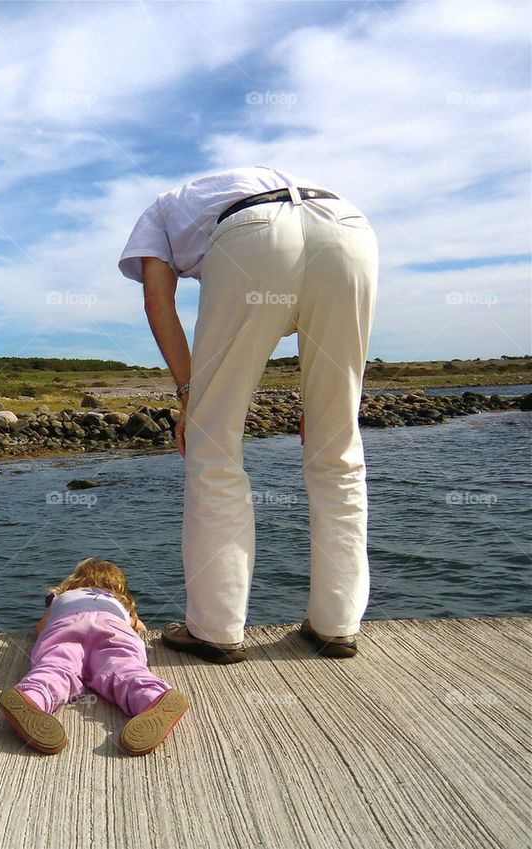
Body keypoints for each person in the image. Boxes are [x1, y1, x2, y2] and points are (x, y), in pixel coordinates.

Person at [118, 165, 378, 662]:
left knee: (212, 448)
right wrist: (328, 403)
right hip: (349, 228)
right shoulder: (244, 183)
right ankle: (336, 626)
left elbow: (158, 300)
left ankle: (215, 629)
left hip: (252, 237)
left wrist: (191, 394)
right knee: (338, 447)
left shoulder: (159, 209)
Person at [0, 557, 188, 756]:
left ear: (74, 580)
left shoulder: (61, 597)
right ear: (119, 586)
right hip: (111, 625)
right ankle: (152, 697)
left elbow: (40, 628)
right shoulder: (119, 601)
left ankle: (33, 697)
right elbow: (139, 628)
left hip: (67, 623)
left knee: (56, 667)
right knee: (122, 667)